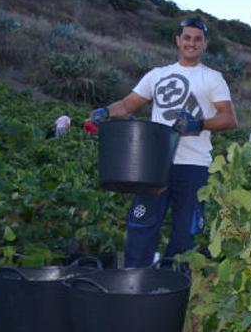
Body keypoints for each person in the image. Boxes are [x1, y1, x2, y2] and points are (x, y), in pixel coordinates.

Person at [88, 17, 237, 267]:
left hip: (193, 164)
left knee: (185, 232)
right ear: (178, 40)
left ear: (205, 44)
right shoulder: (158, 75)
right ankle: (133, 281)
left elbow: (229, 118)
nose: (191, 43)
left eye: (197, 39)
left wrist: (198, 124)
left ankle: (171, 286)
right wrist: (105, 111)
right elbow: (127, 104)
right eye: (187, 38)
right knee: (141, 225)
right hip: (152, 165)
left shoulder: (212, 78)